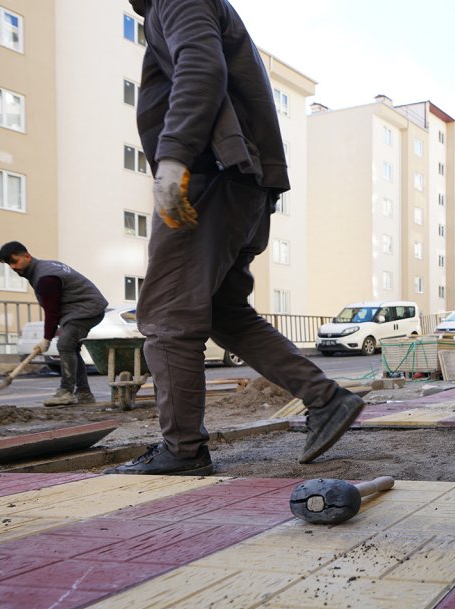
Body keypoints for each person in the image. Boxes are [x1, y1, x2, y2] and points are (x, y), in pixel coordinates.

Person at [112, 0, 362, 476]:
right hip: (243, 180)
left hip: (211, 179)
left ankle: (182, 450)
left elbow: (201, 66)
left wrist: (174, 157)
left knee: (166, 315)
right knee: (225, 312)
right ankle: (326, 399)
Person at [0, 242, 107, 407]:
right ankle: (84, 393)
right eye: (9, 264)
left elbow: (52, 311)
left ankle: (66, 392)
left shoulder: (45, 277)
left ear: (27, 256)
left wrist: (47, 338)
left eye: (15, 261)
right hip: (81, 309)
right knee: (71, 348)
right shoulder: (42, 269)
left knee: (65, 345)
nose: (13, 267)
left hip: (86, 309)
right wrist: (48, 336)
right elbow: (54, 309)